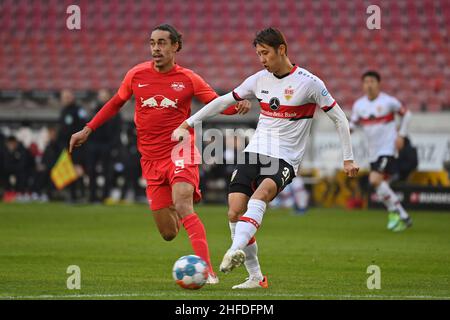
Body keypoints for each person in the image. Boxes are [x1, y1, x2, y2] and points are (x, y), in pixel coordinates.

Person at [173, 27, 359, 289]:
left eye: (265, 53)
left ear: (281, 49)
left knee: (260, 196)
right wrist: (188, 123)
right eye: (258, 54)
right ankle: (256, 278)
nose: (261, 59)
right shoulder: (259, 79)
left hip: (285, 158)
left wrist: (348, 158)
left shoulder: (310, 83)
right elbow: (220, 101)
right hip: (255, 151)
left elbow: (339, 117)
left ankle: (233, 250)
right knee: (234, 211)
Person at [68, 24, 251, 283]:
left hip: (180, 149)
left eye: (163, 42)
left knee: (183, 204)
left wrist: (237, 105)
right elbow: (115, 103)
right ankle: (181, 205)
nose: (156, 48)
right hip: (150, 159)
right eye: (153, 43)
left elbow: (214, 103)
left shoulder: (188, 79)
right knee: (168, 233)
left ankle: (207, 270)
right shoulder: (136, 75)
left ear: (176, 46)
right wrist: (88, 129)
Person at [350, 71, 413, 232]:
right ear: (363, 85)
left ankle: (397, 214)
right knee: (379, 185)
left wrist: (402, 135)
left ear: (378, 84)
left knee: (374, 180)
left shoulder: (388, 102)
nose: (369, 84)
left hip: (388, 148)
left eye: (372, 81)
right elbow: (353, 124)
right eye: (366, 82)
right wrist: (346, 129)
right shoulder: (359, 105)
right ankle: (402, 215)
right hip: (373, 152)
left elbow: (407, 115)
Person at [86, 89, 122, 203]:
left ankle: (105, 196)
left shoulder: (115, 112)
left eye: (104, 96)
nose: (102, 98)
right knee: (91, 170)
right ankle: (92, 196)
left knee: (107, 171)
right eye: (100, 96)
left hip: (107, 145)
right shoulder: (93, 110)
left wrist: (113, 146)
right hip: (94, 144)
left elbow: (118, 130)